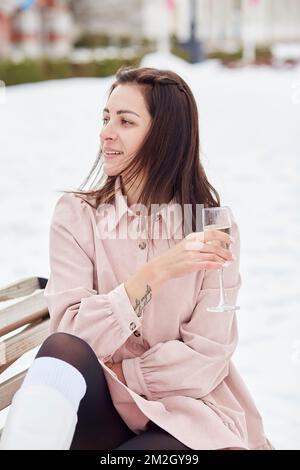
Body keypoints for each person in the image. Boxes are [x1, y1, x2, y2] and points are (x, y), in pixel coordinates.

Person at [0, 66, 274, 450]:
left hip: (187, 415)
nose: (106, 133)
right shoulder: (77, 216)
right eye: (106, 118)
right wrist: (155, 273)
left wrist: (126, 372)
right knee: (62, 349)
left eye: (125, 121)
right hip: (99, 411)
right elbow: (73, 334)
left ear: (165, 137)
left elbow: (208, 357)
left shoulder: (212, 229)